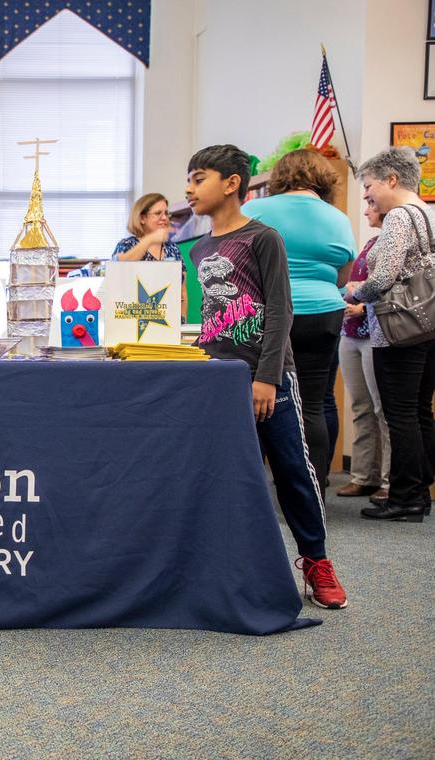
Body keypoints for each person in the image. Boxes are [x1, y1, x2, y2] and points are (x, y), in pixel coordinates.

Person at [185, 144, 348, 609]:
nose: (189, 188)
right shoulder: (199, 248)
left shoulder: (263, 238)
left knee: (294, 471)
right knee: (232, 475)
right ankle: (232, 567)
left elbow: (279, 310)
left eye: (199, 178)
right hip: (219, 379)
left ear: (231, 183)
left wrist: (267, 379)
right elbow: (213, 317)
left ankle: (316, 562)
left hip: (269, 377)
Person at [243, 150, 356, 493]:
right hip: (324, 314)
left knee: (258, 400)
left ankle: (254, 490)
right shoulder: (337, 217)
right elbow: (343, 276)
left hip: (271, 316)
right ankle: (315, 487)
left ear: (280, 176)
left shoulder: (255, 210)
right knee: (316, 400)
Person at [347, 146, 435, 523]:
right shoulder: (429, 213)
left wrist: (356, 291)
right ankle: (418, 492)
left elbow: (383, 278)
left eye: (369, 187)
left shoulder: (399, 216)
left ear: (391, 180)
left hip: (399, 332)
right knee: (419, 413)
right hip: (427, 327)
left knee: (400, 415)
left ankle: (405, 499)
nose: (368, 196)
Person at [336, 203, 391, 503]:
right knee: (360, 407)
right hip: (350, 333)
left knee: (382, 408)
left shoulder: (392, 245)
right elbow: (352, 285)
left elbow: (387, 288)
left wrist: (362, 304)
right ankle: (363, 476)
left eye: (370, 204)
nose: (366, 208)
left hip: (375, 333)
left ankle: (388, 480)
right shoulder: (370, 242)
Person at [112, 192, 187, 316]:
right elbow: (117, 269)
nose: (164, 218)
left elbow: (182, 292)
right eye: (158, 213)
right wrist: (150, 239)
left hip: (169, 322)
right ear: (142, 218)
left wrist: (182, 321)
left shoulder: (173, 248)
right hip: (133, 321)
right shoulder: (126, 244)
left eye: (166, 213)